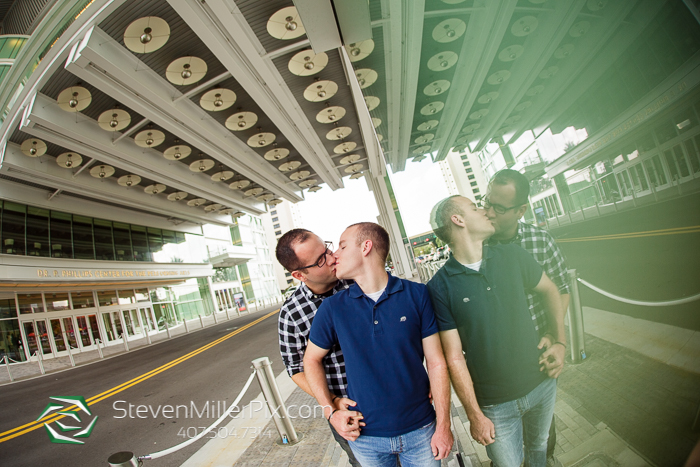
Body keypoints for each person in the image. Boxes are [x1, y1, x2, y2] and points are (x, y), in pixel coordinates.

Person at [427, 196, 566, 467]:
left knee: (539, 451)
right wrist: (474, 414)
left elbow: (551, 290)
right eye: (475, 208)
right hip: (495, 404)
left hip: (541, 383)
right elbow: (454, 357)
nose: (485, 212)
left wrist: (559, 340)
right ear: (458, 220)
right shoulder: (439, 287)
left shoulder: (513, 255)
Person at [304, 222, 453, 466]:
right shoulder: (332, 308)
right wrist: (329, 411)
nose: (334, 256)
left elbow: (436, 362)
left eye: (342, 246)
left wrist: (444, 426)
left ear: (366, 247)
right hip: (365, 436)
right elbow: (310, 359)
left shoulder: (417, 294)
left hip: (421, 429)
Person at [484, 169, 571, 466]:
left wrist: (556, 337)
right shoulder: (477, 246)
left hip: (537, 356)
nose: (489, 212)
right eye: (487, 202)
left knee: (543, 442)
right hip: (499, 372)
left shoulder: (540, 241)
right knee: (505, 453)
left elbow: (561, 288)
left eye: (499, 207)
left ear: (521, 210)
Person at [275, 228, 361, 466]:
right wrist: (331, 403)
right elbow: (295, 367)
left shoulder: (358, 280)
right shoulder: (291, 314)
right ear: (300, 275)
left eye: (327, 248)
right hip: (347, 409)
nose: (333, 257)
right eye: (322, 259)